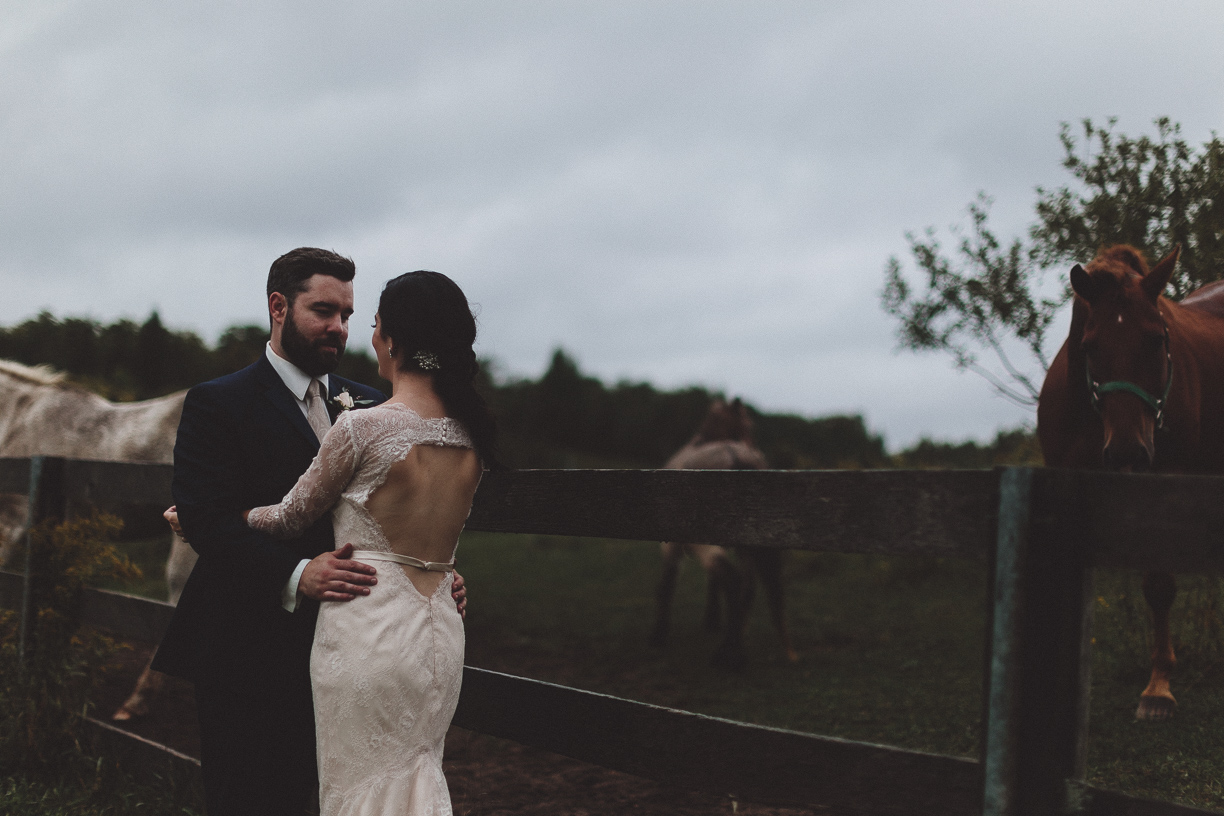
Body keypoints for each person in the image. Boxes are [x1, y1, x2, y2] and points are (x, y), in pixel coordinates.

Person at [152, 249, 468, 816]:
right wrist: (298, 573)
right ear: (278, 306)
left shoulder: (372, 402)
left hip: (361, 647)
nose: (339, 328)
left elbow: (397, 511)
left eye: (349, 314)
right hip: (247, 641)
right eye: (323, 310)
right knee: (250, 798)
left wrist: (431, 572)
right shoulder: (218, 403)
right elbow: (207, 517)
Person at [243, 269, 495, 816]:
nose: (370, 338)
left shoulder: (363, 428)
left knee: (360, 787)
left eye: (375, 325)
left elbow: (288, 518)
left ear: (394, 341)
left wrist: (214, 518)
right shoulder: (472, 433)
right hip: (440, 633)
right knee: (418, 774)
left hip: (369, 626)